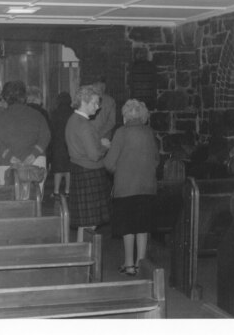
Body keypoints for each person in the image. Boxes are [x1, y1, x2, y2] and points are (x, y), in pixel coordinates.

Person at [104, 99, 159, 276]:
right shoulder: (149, 132)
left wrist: (119, 171)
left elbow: (109, 163)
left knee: (127, 229)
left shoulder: (121, 132)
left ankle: (129, 265)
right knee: (142, 227)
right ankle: (140, 264)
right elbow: (157, 160)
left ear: (126, 115)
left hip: (126, 187)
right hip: (147, 186)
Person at [65, 85, 112, 242]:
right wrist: (104, 146)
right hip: (89, 172)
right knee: (89, 224)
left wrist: (97, 142)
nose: (97, 107)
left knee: (85, 224)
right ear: (84, 102)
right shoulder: (84, 124)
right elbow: (93, 155)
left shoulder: (73, 120)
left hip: (80, 170)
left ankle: (81, 253)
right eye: (95, 103)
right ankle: (84, 255)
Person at [0, 81, 51, 193]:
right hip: (34, 163)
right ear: (24, 96)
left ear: (5, 97)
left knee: (9, 199)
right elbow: (45, 135)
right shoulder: (36, 115)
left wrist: (9, 156)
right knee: (34, 201)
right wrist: (34, 154)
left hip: (6, 163)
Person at [50, 92, 73, 198]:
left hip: (58, 143)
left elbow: (51, 129)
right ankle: (68, 191)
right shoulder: (73, 112)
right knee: (69, 169)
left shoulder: (54, 113)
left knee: (58, 169)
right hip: (70, 143)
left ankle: (56, 191)